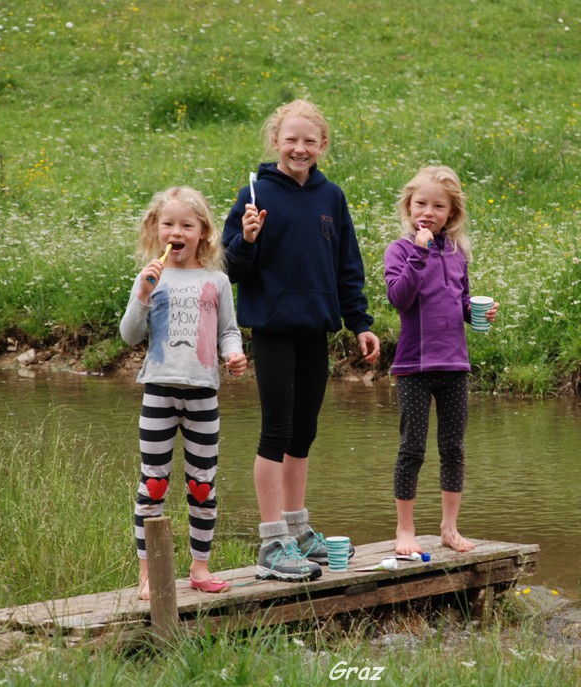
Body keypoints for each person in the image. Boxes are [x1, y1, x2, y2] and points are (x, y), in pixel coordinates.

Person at [222, 99, 381, 582]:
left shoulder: (331, 197)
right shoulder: (254, 194)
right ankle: (272, 541)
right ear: (276, 141)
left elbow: (347, 265)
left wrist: (360, 322)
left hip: (316, 327)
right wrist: (247, 239)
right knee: (276, 431)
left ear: (323, 145)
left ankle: (298, 528)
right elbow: (228, 268)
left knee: (303, 432)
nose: (299, 148)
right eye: (290, 139)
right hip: (272, 328)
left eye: (309, 141)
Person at [120, 185, 247, 598]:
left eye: (187, 225)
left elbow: (228, 331)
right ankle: (148, 574)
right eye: (168, 224)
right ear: (155, 230)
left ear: (203, 232)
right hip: (158, 391)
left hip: (203, 394)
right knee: (153, 484)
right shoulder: (149, 278)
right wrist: (143, 294)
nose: (176, 232)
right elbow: (129, 335)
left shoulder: (217, 281)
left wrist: (233, 354)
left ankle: (200, 568)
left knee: (202, 486)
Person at [383, 166, 499, 557]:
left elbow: (459, 301)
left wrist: (478, 312)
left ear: (452, 213)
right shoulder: (400, 250)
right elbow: (399, 298)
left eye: (438, 206)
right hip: (414, 367)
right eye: (421, 204)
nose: (428, 212)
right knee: (412, 448)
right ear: (408, 207)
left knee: (453, 449)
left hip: (454, 366)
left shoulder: (457, 253)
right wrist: (419, 252)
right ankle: (405, 529)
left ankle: (449, 528)